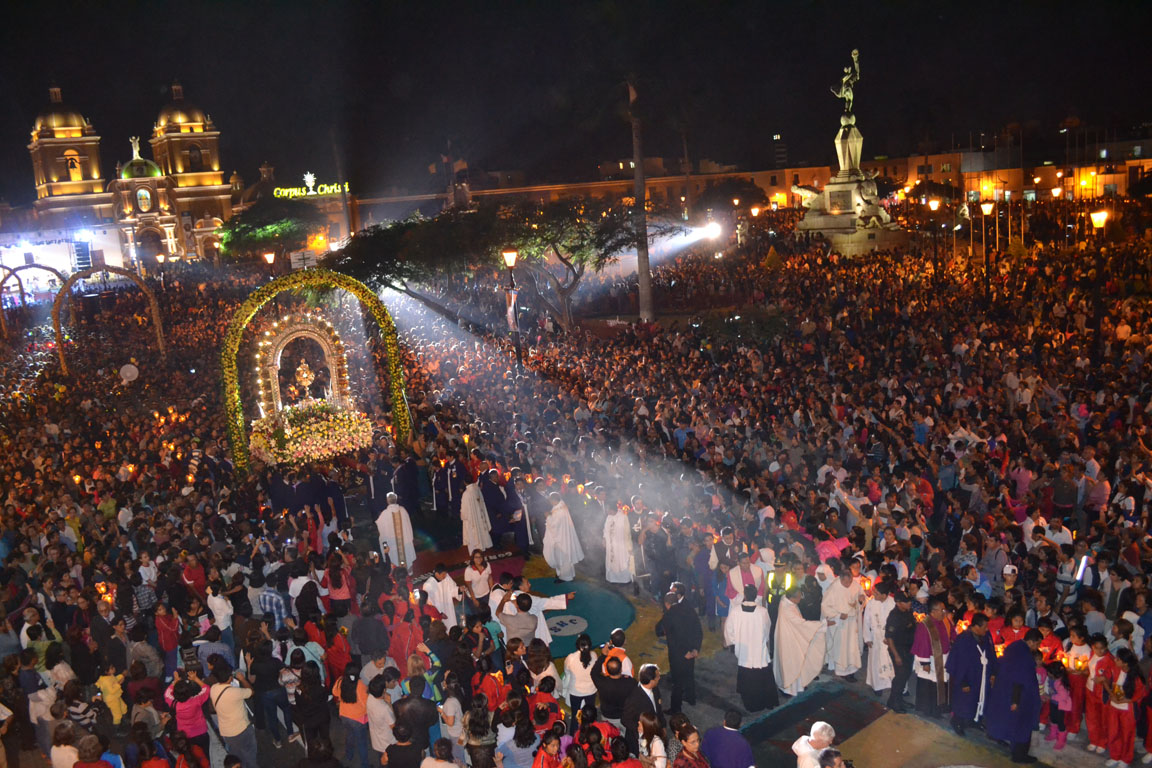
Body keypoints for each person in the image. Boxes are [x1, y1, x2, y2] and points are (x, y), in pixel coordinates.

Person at [985, 629, 1042, 764]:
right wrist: (1016, 701)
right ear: (1031, 642)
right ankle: (1019, 755)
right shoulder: (1025, 657)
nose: (1037, 647)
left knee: (1009, 721)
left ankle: (1006, 742)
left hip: (1004, 690)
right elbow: (1020, 679)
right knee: (1022, 725)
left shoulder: (1014, 647)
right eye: (1037, 644)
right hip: (1020, 696)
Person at [723, 585, 778, 712]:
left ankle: (751, 704)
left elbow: (728, 628)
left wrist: (732, 642)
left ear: (745, 595)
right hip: (759, 650)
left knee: (747, 678)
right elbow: (767, 628)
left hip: (744, 651)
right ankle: (766, 702)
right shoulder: (762, 611)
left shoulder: (736, 611)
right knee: (763, 676)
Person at [945, 612, 996, 736]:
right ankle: (957, 722)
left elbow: (991, 653)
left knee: (978, 700)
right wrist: (963, 682)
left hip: (982, 677)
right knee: (964, 702)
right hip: (968, 678)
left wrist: (993, 672)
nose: (987, 629)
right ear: (976, 627)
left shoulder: (986, 636)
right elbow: (957, 662)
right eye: (985, 627)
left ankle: (974, 721)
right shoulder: (963, 639)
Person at [774, 585, 827, 696]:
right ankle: (788, 688)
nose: (800, 599)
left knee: (798, 661)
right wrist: (822, 625)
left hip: (793, 636)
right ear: (792, 598)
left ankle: (798, 685)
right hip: (788, 640)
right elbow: (801, 624)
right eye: (798, 597)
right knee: (791, 664)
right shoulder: (787, 609)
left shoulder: (785, 600)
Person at [655, 592, 701, 713]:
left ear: (666, 604)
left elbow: (673, 639)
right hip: (692, 650)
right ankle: (691, 698)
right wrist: (695, 649)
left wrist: (684, 652)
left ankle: (676, 708)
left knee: (677, 682)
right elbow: (698, 630)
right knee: (689, 675)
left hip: (678, 654)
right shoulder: (690, 611)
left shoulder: (668, 616)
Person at [821, 564, 863, 682]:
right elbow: (825, 606)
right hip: (840, 623)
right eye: (845, 582)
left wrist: (861, 599)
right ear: (840, 579)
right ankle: (842, 671)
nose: (848, 585)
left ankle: (852, 669)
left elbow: (861, 595)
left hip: (852, 623)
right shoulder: (833, 588)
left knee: (852, 647)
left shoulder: (854, 585)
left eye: (850, 582)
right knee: (842, 648)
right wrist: (838, 615)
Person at [210, 665, 258, 768]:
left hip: (227, 732)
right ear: (230, 678)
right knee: (250, 754)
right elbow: (251, 691)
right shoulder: (234, 692)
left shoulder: (213, 689)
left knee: (237, 757)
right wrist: (242, 679)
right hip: (242, 729)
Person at [911, 598, 952, 718]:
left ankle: (941, 707)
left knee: (942, 683)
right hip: (931, 661)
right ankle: (929, 709)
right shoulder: (925, 625)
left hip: (944, 658)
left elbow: (952, 634)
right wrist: (925, 663)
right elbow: (922, 643)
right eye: (941, 610)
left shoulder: (945, 621)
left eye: (944, 609)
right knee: (929, 686)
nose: (944, 612)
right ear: (933, 612)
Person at [622, 664, 665, 757]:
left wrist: (663, 726)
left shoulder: (655, 689)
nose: (659, 678)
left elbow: (658, 710)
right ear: (651, 681)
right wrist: (639, 729)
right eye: (658, 676)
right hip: (642, 738)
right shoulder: (634, 698)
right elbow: (625, 719)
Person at [334, 666, 371, 768]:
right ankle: (365, 764)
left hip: (344, 715)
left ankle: (349, 755)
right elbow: (365, 703)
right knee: (362, 742)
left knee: (349, 735)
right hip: (358, 718)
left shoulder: (340, 681)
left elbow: (334, 692)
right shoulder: (360, 685)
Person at [861, 581, 895, 694]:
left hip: (889, 639)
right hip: (875, 637)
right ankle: (878, 686)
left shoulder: (893, 603)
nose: (873, 594)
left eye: (876, 593)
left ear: (884, 595)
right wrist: (868, 638)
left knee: (890, 661)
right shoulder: (871, 603)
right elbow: (866, 621)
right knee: (875, 661)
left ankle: (890, 683)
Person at [542, 494, 584, 582]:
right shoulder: (561, 506)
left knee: (562, 557)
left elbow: (554, 525)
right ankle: (567, 574)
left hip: (561, 539)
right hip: (563, 536)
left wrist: (548, 517)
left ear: (554, 500)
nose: (550, 503)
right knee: (565, 557)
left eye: (550, 501)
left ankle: (565, 577)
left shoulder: (559, 511)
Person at [561, 634, 598, 732]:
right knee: (590, 715)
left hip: (575, 692)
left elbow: (566, 672)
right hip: (591, 690)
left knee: (575, 716)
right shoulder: (594, 656)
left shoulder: (571, 658)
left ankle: (574, 736)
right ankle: (592, 735)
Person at [376, 493, 417, 570]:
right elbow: (409, 526)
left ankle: (397, 574)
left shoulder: (384, 514)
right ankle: (408, 571)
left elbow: (381, 530)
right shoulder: (403, 510)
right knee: (406, 558)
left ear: (387, 501)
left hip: (393, 545)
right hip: (405, 542)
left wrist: (384, 546)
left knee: (396, 560)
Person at [603, 502, 635, 585]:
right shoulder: (608, 517)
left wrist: (629, 547)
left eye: (608, 510)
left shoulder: (623, 517)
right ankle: (613, 579)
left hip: (621, 546)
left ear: (612, 509)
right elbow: (605, 529)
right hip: (611, 546)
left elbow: (627, 533)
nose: (607, 512)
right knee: (612, 561)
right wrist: (604, 539)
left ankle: (624, 580)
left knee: (622, 561)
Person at [423, 565, 461, 631]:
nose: (445, 576)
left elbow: (453, 588)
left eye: (446, 574)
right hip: (438, 611)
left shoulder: (446, 577)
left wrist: (459, 590)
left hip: (448, 607)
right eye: (443, 574)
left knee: (451, 624)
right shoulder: (428, 585)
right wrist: (439, 613)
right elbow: (429, 602)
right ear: (437, 574)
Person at [462, 482, 494, 554]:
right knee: (481, 530)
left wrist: (463, 516)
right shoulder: (477, 489)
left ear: (464, 482)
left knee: (473, 534)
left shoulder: (466, 494)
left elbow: (464, 509)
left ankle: (475, 550)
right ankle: (483, 547)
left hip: (471, 518)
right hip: (479, 514)